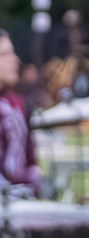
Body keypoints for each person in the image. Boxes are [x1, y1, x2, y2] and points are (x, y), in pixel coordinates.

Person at [0, 30, 44, 193]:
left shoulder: (17, 103)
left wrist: (35, 177)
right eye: (5, 54)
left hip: (21, 203)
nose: (15, 60)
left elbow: (30, 157)